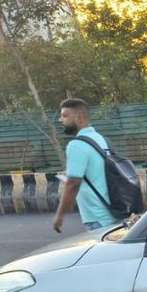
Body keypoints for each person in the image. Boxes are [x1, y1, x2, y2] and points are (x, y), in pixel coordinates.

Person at [52, 98, 119, 233]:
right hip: (113, 212)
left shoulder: (77, 145)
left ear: (80, 117)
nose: (61, 120)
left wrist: (59, 216)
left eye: (65, 115)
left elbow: (73, 183)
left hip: (96, 217)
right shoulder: (100, 139)